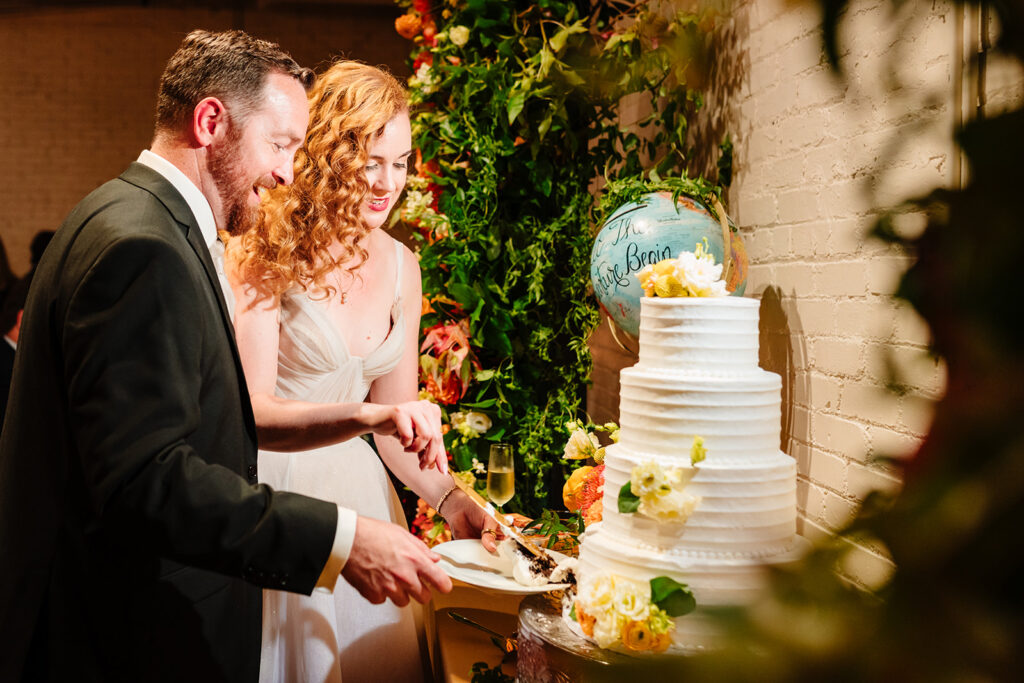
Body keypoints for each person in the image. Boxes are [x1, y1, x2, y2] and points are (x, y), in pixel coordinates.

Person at [0, 31, 452, 683]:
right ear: (212, 122)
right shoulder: (143, 247)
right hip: (104, 628)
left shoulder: (134, 218)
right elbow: (145, 480)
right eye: (280, 145)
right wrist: (338, 539)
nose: (290, 172)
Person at [227, 61, 498, 683]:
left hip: (366, 500)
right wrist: (372, 415)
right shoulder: (267, 243)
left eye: (401, 163)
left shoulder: (404, 265)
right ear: (326, 152)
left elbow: (391, 432)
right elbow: (256, 413)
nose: (387, 182)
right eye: (370, 160)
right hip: (279, 493)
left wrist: (453, 500)